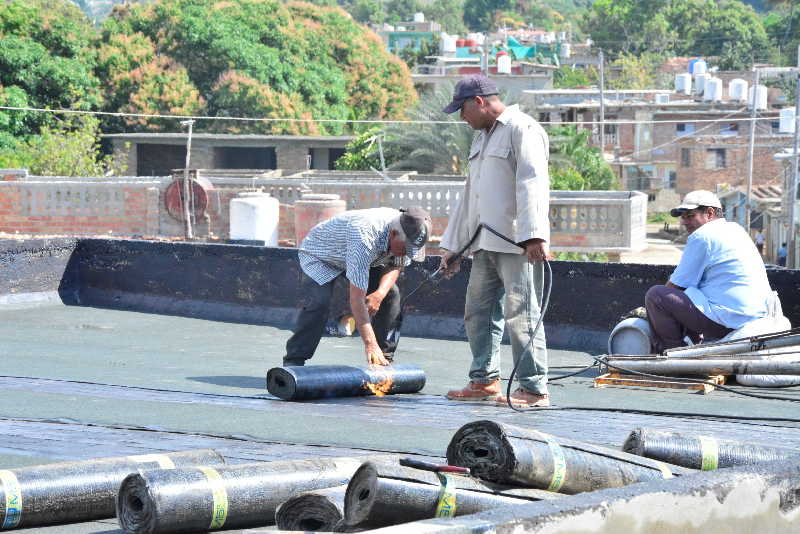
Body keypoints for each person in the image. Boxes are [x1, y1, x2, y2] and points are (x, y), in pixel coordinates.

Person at [438, 74, 551, 408]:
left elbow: (532, 182)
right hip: (484, 243)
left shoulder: (521, 129)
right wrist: (454, 247)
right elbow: (470, 195)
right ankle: (484, 381)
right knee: (478, 312)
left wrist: (533, 236)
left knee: (523, 313)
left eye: (463, 109)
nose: (462, 117)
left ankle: (533, 388)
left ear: (480, 102)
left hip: (517, 244)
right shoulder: (481, 138)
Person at [283, 206, 432, 367]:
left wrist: (379, 294)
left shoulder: (407, 231)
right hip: (321, 255)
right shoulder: (364, 236)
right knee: (319, 302)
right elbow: (357, 300)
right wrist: (370, 344)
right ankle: (294, 361)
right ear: (393, 234)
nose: (407, 253)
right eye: (405, 248)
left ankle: (384, 359)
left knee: (390, 295)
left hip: (366, 256)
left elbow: (396, 265)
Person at [645, 190, 771, 352]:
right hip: (753, 317)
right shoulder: (736, 229)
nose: (684, 222)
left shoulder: (702, 236)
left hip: (732, 321)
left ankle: (672, 355)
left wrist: (648, 312)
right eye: (683, 217)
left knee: (657, 296)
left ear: (710, 213)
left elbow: (674, 286)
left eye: (690, 216)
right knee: (692, 292)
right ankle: (692, 344)